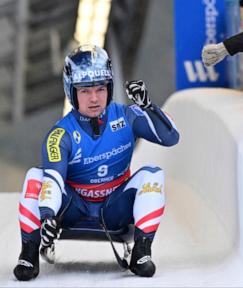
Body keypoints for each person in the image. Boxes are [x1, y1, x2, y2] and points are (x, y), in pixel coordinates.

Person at [13, 44, 179, 281]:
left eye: (100, 89)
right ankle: (28, 253)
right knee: (34, 176)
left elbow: (171, 137)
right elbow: (53, 180)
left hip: (114, 208)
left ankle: (142, 253)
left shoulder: (127, 115)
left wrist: (148, 107)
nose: (94, 98)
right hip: (72, 209)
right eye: (85, 91)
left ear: (109, 89)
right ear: (71, 92)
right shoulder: (60, 134)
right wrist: (48, 215)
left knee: (153, 174)